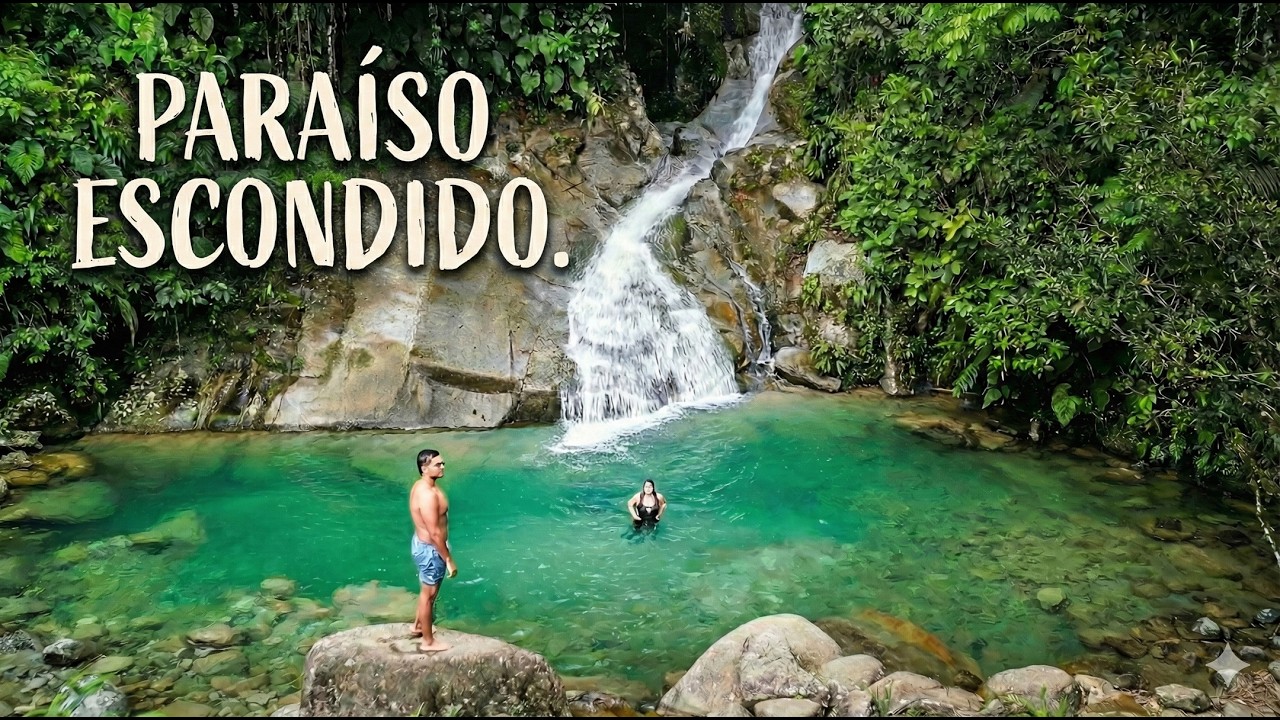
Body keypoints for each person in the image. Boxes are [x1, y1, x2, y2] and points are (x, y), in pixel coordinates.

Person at [408, 448, 457, 653]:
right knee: (429, 595)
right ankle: (428, 642)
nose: (442, 466)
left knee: (426, 591)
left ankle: (418, 626)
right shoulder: (427, 495)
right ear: (424, 468)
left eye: (442, 463)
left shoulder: (422, 486)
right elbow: (434, 532)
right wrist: (448, 559)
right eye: (438, 464)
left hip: (425, 545)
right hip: (430, 549)